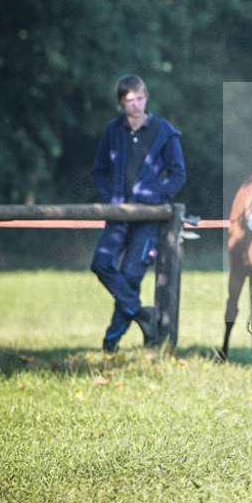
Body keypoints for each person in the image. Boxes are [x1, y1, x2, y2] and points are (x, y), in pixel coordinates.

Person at [91, 75, 186, 354]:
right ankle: (143, 315)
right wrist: (110, 199)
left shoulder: (163, 129)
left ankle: (111, 341)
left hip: (147, 219)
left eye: (140, 98)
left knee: (131, 277)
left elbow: (178, 174)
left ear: (146, 97)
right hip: (118, 215)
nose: (136, 105)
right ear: (121, 102)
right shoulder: (113, 130)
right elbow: (98, 170)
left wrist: (157, 196)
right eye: (130, 100)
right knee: (101, 264)